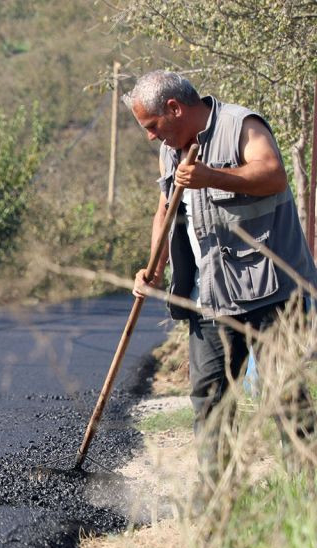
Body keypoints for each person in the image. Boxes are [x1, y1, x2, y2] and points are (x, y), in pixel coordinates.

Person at [125, 70, 317, 475]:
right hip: (209, 296)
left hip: (274, 293)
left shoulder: (241, 125)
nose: (150, 137)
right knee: (210, 400)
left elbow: (273, 174)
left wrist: (212, 177)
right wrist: (154, 268)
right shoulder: (171, 148)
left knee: (285, 397)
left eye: (152, 126)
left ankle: (306, 493)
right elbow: (165, 208)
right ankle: (219, 499)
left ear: (174, 109)